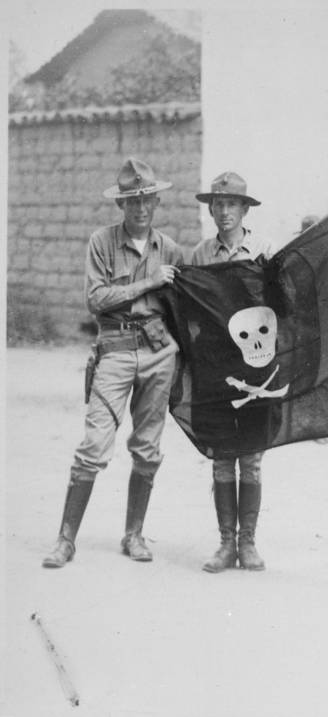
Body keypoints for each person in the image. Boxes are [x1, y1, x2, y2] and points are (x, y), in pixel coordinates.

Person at [42, 158, 183, 568]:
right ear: (121, 205)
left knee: (148, 447)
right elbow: (95, 298)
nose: (140, 208)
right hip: (116, 350)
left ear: (156, 202)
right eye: (132, 201)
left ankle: (134, 535)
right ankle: (66, 539)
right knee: (93, 445)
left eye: (147, 200)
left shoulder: (169, 248)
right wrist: (149, 282)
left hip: (158, 352)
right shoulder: (101, 242)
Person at [190, 171, 274, 571]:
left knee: (252, 458)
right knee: (223, 456)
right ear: (211, 208)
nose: (224, 211)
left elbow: (281, 306)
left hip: (255, 366)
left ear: (244, 209)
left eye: (232, 204)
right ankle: (226, 544)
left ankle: (249, 543)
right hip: (216, 366)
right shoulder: (200, 255)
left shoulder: (264, 251)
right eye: (218, 204)